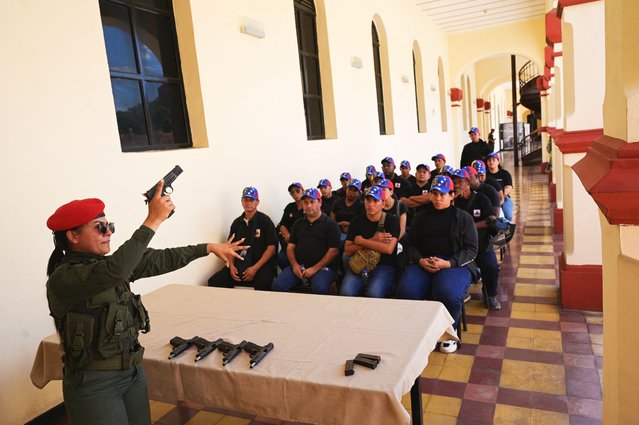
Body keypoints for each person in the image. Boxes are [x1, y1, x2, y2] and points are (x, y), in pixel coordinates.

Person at [45, 181, 246, 425]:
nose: (108, 232)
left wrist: (207, 248)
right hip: (94, 382)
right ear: (73, 236)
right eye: (100, 228)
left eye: (110, 226)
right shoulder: (65, 278)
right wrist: (152, 220)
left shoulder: (107, 266)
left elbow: (159, 259)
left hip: (131, 372)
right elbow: (115, 271)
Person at [395, 175, 478, 354]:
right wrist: (420, 260)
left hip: (454, 264)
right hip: (425, 262)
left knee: (446, 293)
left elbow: (471, 249)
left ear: (452, 195)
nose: (438, 198)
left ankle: (449, 332)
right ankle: (417, 330)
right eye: (435, 194)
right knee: (405, 291)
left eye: (443, 194)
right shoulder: (421, 217)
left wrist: (449, 263)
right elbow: (411, 245)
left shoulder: (463, 218)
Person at [272, 188, 340, 294]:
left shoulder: (331, 224)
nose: (308, 206)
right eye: (306, 202)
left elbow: (333, 251)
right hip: (299, 266)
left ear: (320, 202)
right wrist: (294, 265)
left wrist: (314, 269)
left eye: (312, 202)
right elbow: (290, 247)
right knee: (277, 285)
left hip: (322, 268)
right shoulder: (298, 224)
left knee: (320, 288)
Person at [208, 187, 277, 291]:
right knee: (215, 281)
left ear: (257, 202)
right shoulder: (236, 223)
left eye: (251, 200)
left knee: (263, 285)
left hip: (261, 265)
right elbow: (230, 248)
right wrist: (231, 266)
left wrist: (254, 268)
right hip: (239, 264)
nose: (248, 203)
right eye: (246, 200)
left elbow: (271, 248)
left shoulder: (265, 221)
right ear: (242, 201)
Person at [451, 169, 501, 310]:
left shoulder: (481, 199)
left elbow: (491, 219)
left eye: (460, 182)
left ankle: (490, 294)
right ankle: (462, 291)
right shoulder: (453, 202)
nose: (457, 185)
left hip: (481, 243)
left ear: (468, 183)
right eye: (454, 183)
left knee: (491, 266)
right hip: (461, 246)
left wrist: (470, 225)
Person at [340, 186, 399, 298]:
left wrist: (361, 241)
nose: (371, 204)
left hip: (383, 266)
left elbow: (388, 249)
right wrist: (374, 240)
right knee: (346, 292)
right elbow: (347, 250)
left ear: (383, 204)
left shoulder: (392, 221)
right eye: (368, 200)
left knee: (373, 294)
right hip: (360, 263)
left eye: (376, 201)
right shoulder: (357, 221)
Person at [276, 182, 305, 269]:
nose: (295, 194)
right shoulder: (290, 207)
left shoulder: (309, 206)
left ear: (303, 191)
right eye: (292, 192)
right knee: (281, 258)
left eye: (297, 191)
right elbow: (282, 224)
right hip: (289, 241)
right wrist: (288, 235)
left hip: (303, 240)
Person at [330, 178, 363, 243]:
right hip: (337, 231)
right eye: (350, 189)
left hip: (354, 234)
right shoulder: (337, 202)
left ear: (358, 193)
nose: (351, 192)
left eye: (355, 190)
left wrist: (349, 224)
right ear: (346, 189)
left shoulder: (361, 205)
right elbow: (332, 220)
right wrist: (338, 225)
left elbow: (362, 223)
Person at [486, 153, 514, 221]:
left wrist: (501, 196)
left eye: (493, 160)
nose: (491, 162)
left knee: (508, 215)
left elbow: (509, 187)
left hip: (504, 198)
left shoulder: (505, 173)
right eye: (489, 160)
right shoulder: (485, 175)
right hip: (488, 199)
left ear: (498, 162)